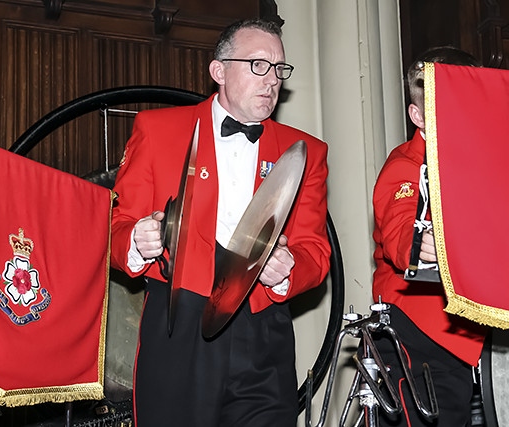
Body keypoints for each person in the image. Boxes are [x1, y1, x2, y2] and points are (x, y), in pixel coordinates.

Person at [110, 18, 331, 427]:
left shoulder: (307, 153)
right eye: (258, 65)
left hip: (265, 330)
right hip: (180, 321)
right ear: (219, 71)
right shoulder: (158, 131)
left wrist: (288, 271)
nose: (272, 80)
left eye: (279, 68)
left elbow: (315, 251)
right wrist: (137, 241)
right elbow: (115, 227)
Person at [371, 46, 489, 426]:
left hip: (470, 334)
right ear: (417, 115)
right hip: (416, 331)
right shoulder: (405, 163)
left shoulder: (490, 165)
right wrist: (419, 246)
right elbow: (400, 226)